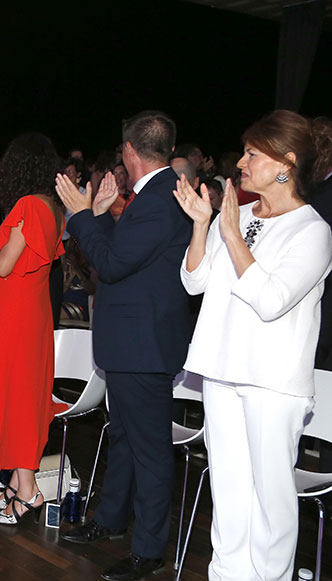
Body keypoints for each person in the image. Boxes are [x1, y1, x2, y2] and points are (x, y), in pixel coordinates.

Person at [175, 110, 332, 580]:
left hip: (272, 381)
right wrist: (202, 225)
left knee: (270, 502)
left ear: (286, 163)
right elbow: (194, 281)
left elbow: (271, 300)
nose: (241, 162)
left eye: (252, 154)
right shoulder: (235, 215)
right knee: (229, 493)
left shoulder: (312, 230)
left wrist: (231, 236)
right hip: (222, 370)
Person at [56, 110, 192, 581]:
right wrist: (98, 216)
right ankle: (112, 519)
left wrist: (81, 216)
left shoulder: (159, 199)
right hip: (132, 343)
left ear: (129, 150)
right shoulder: (155, 195)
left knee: (149, 450)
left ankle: (149, 550)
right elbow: (127, 256)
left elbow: (112, 265)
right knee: (124, 436)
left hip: (144, 346)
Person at [0, 132, 66, 525]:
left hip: (17, 314)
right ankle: (20, 486)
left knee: (17, 399)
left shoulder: (29, 205)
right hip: (31, 311)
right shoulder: (52, 208)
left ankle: (28, 492)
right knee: (21, 396)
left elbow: (3, 265)